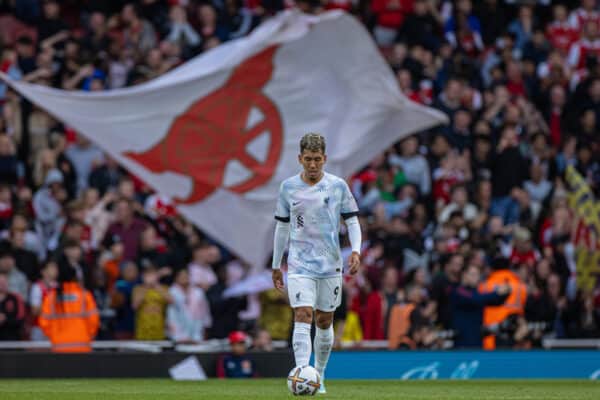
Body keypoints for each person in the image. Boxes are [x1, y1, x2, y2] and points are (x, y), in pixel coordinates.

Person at [271, 133, 361, 394]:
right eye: (308, 159)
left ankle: (319, 375)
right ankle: (302, 375)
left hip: (330, 265)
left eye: (317, 159)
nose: (313, 165)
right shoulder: (288, 188)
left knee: (324, 321)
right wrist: (277, 264)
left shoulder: (337, 186)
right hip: (299, 264)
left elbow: (352, 221)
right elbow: (282, 226)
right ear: (300, 158)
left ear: (325, 159)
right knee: (303, 314)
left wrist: (355, 251)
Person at [38, 264, 99, 352]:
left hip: (59, 347)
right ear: (75, 277)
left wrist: (54, 336)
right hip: (82, 347)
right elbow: (94, 321)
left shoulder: (51, 297)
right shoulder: (85, 295)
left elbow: (44, 323)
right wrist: (88, 335)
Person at [450, 265, 511, 348]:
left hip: (477, 341)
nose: (477, 278)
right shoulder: (458, 291)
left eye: (478, 275)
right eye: (473, 275)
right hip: (462, 342)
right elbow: (475, 299)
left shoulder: (476, 292)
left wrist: (506, 293)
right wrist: (497, 293)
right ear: (464, 275)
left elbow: (495, 302)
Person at [0, 272, 25, 340]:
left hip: (12, 339)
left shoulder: (16, 298)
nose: (2, 284)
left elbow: (21, 320)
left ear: (8, 283)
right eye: (0, 281)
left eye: (4, 281)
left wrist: (5, 319)